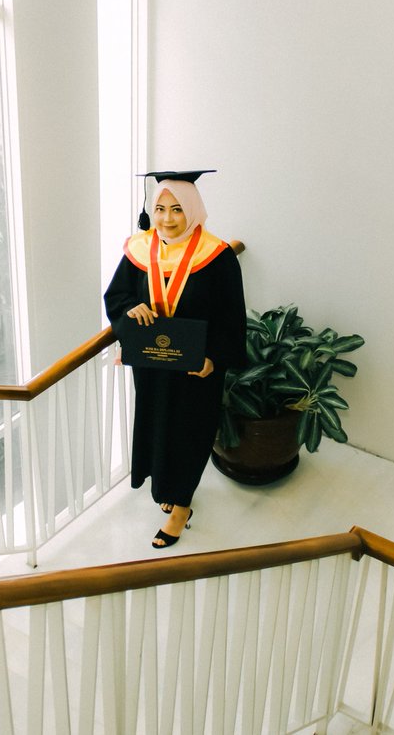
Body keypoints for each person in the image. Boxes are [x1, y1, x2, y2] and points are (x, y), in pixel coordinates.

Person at [104, 170, 246, 548]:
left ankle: (181, 506)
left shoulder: (216, 256)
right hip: (153, 366)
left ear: (194, 211)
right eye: (161, 209)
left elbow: (232, 316)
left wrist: (214, 358)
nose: (167, 219)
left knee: (189, 433)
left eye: (177, 210)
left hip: (196, 370)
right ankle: (168, 487)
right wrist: (131, 310)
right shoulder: (139, 250)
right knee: (158, 428)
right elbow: (116, 297)